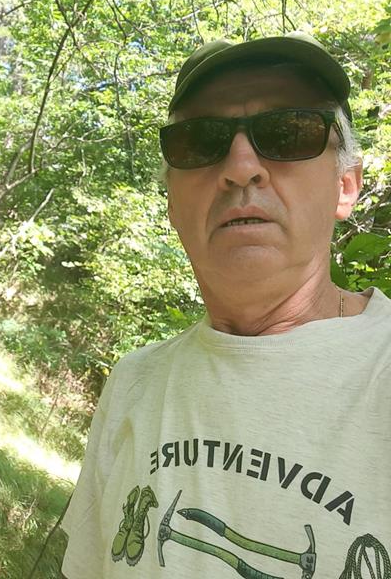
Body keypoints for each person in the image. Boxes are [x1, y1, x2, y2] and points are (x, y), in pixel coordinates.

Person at [61, 32, 391, 579]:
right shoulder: (134, 384)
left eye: (288, 132)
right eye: (200, 141)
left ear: (346, 186)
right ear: (172, 200)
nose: (241, 166)